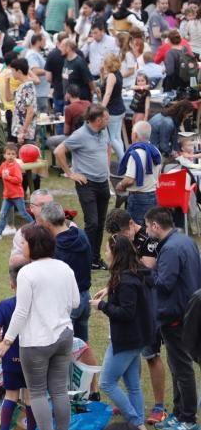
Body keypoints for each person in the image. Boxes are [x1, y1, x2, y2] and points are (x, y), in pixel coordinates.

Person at [0, 224, 79, 430]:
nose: (21, 246)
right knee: (59, 390)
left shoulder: (27, 273)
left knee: (38, 391)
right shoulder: (65, 268)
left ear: (34, 245)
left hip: (37, 341)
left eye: (24, 242)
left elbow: (21, 312)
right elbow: (75, 302)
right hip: (63, 335)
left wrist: (6, 341)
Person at [90, 235, 155, 430]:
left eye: (108, 250)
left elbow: (126, 313)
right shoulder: (133, 273)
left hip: (126, 340)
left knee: (106, 383)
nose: (105, 253)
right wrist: (108, 289)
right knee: (133, 385)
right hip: (138, 337)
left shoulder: (126, 281)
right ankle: (137, 424)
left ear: (117, 253)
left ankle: (137, 424)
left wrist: (102, 305)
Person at [145, 207, 201, 430]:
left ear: (156, 225)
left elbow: (165, 283)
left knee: (181, 368)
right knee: (177, 365)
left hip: (176, 315)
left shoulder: (169, 249)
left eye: (147, 226)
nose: (147, 230)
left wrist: (147, 273)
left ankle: (187, 417)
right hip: (186, 310)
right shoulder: (185, 241)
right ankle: (179, 413)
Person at [54, 105, 111, 269]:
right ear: (98, 120)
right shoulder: (80, 135)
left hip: (103, 183)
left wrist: (105, 168)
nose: (109, 120)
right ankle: (84, 258)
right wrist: (71, 173)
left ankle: (94, 259)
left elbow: (107, 148)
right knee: (92, 223)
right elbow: (59, 151)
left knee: (100, 223)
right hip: (87, 184)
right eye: (106, 118)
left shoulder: (103, 131)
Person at [0, 263, 39, 430]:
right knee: (30, 397)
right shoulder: (36, 306)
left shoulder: (5, 305)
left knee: (10, 395)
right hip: (31, 356)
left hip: (11, 356)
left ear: (12, 284)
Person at [40, 202, 94, 344]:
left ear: (47, 224)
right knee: (82, 347)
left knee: (63, 350)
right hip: (85, 297)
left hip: (67, 302)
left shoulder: (56, 249)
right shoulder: (81, 235)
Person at [0, 143, 35, 240]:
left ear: (16, 155)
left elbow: (19, 180)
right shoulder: (4, 165)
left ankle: (36, 228)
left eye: (13, 154)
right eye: (8, 154)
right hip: (8, 196)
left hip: (17, 195)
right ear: (4, 155)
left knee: (23, 213)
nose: (10, 156)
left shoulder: (15, 167)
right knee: (2, 214)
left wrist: (8, 178)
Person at [117, 122, 161, 227]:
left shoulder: (136, 153)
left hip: (139, 197)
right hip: (153, 194)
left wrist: (121, 185)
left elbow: (129, 180)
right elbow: (158, 174)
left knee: (136, 229)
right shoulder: (155, 151)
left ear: (135, 135)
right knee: (151, 228)